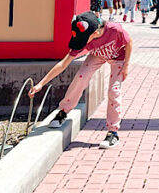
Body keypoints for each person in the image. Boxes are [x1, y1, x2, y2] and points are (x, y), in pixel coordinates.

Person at [28, 11, 132, 150]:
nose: (82, 43)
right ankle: (64, 111)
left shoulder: (115, 29)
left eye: (84, 39)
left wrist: (126, 66)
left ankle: (113, 132)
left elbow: (129, 42)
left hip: (118, 58)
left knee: (113, 91)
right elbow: (63, 64)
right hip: (97, 56)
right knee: (80, 78)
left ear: (95, 33)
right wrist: (40, 84)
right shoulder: (85, 38)